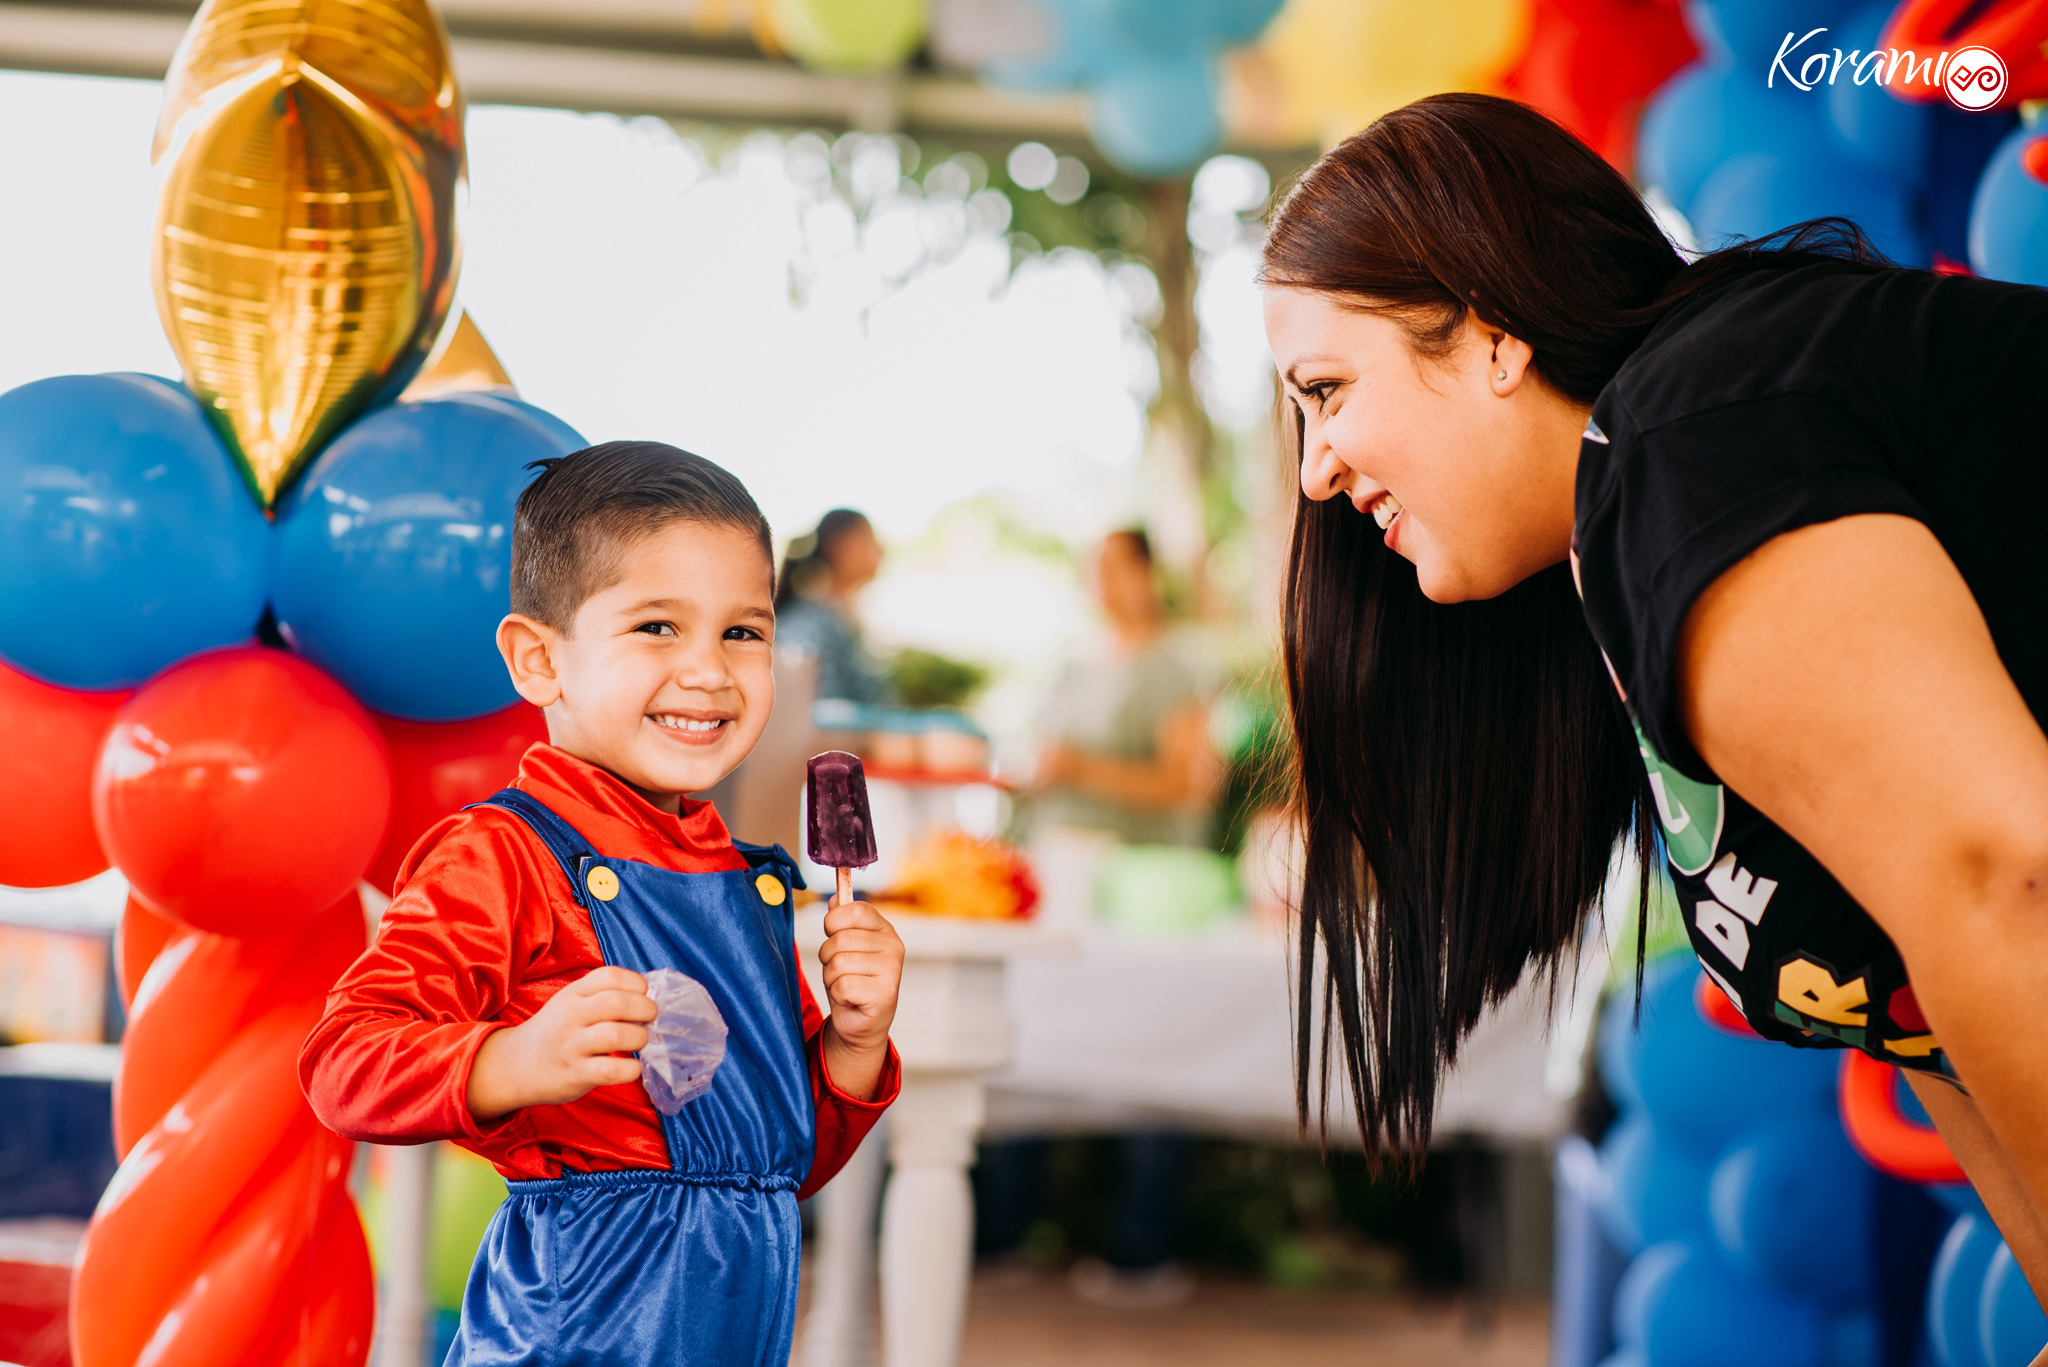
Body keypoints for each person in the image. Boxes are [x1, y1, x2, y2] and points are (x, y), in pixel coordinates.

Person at [1261, 91, 2048, 1304]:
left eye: (1323, 389)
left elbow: (2002, 879)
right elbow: (1934, 988)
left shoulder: (1680, 443)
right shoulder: (1640, 526)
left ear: (1488, 335)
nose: (1312, 471)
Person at [298, 442, 906, 1366]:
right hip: (576, 1328)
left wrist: (853, 1045)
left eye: (744, 632)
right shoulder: (503, 856)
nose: (708, 669)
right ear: (539, 660)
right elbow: (341, 1061)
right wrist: (510, 1058)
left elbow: (779, 1168)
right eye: (658, 626)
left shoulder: (757, 887)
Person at [1035, 529, 1221, 846]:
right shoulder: (1073, 666)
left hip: (1137, 866)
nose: (1099, 578)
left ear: (1145, 574)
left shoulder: (1175, 667)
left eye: (1110, 566)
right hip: (1062, 850)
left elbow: (1189, 784)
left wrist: (1081, 770)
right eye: (1094, 568)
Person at [775, 507, 888, 705]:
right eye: (870, 539)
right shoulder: (808, 624)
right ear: (841, 547)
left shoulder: (843, 616)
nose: (881, 550)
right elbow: (820, 710)